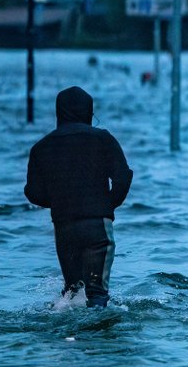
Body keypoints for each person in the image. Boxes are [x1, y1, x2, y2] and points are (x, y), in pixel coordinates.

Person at [24, 86, 133, 308]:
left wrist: (60, 202)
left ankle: (69, 338)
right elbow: (123, 177)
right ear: (88, 112)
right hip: (97, 227)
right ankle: (96, 337)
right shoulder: (103, 139)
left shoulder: (41, 147)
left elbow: (32, 192)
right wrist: (105, 205)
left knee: (72, 293)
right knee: (97, 293)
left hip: (64, 228)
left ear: (59, 113)